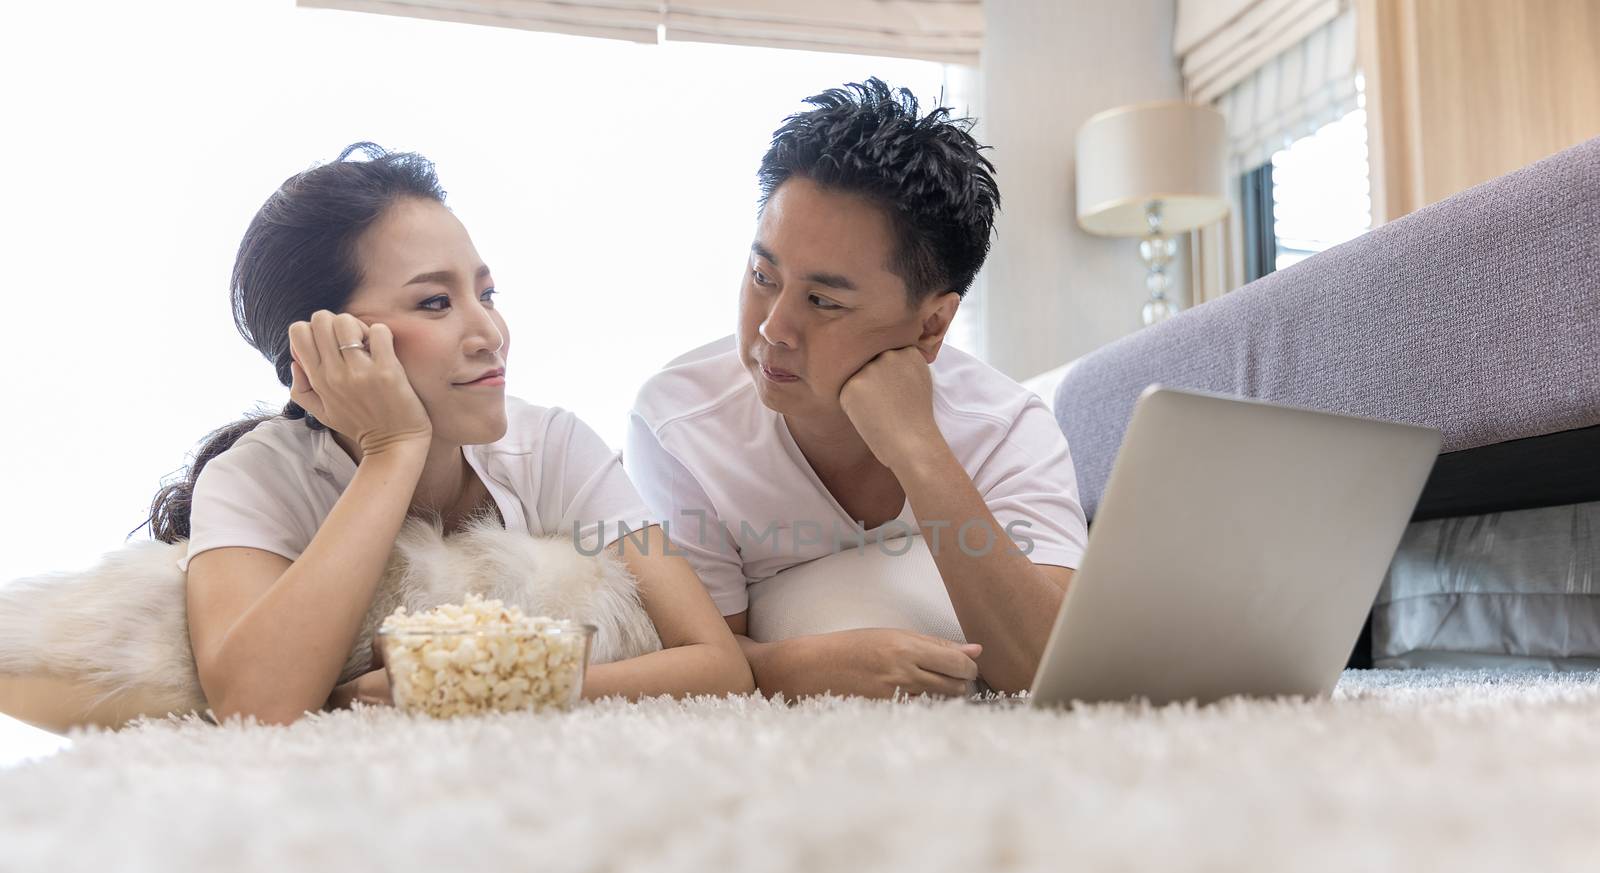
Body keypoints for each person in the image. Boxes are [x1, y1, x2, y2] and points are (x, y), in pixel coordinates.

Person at [148, 143, 751, 724]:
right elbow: (255, 705)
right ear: (324, 344)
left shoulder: (551, 446)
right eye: (436, 302)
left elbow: (719, 667)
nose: (489, 331)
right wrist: (392, 451)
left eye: (487, 294)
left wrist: (479, 688)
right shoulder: (255, 477)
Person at [625, 81, 1089, 700]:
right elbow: (705, 651)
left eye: (824, 300)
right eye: (763, 275)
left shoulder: (1006, 425)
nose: (773, 328)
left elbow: (1048, 663)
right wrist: (803, 668)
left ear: (932, 325)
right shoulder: (679, 424)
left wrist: (918, 448)